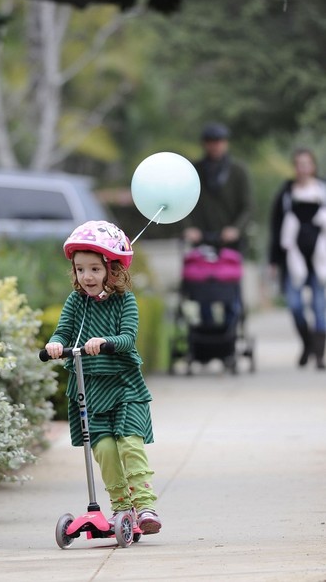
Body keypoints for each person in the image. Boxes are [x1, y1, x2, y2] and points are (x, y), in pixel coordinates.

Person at [44, 220, 162, 535]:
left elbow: (127, 338)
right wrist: (55, 343)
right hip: (91, 388)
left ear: (112, 269)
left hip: (124, 386)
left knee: (129, 444)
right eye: (80, 269)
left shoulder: (126, 301)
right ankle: (122, 509)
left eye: (95, 269)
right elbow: (63, 330)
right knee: (105, 450)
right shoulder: (75, 302)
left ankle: (146, 505)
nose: (87, 277)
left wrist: (106, 342)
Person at [182, 122, 253, 326]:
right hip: (202, 239)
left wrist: (235, 229)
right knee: (202, 291)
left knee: (231, 292)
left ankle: (229, 336)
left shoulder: (238, 171)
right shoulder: (194, 170)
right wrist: (189, 228)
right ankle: (208, 334)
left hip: (230, 243)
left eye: (219, 142)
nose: (215, 146)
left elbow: (248, 207)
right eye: (211, 142)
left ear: (226, 144)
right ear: (205, 144)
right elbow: (183, 202)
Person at [269, 147, 326, 370]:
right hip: (292, 258)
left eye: (307, 164)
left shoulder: (322, 190)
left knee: (320, 307)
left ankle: (319, 356)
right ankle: (308, 343)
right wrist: (273, 261)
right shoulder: (285, 194)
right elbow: (276, 229)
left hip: (320, 258)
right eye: (299, 164)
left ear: (313, 166)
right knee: (295, 305)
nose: (303, 169)